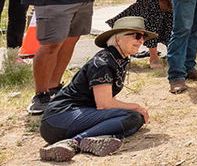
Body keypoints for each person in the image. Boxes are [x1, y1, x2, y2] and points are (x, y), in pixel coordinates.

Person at [37, 16, 151, 162]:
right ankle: (74, 142)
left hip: (75, 117)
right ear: (118, 39)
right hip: (59, 119)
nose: (141, 41)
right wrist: (136, 106)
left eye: (143, 37)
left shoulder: (117, 59)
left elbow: (106, 101)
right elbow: (104, 104)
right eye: (137, 35)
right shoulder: (103, 63)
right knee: (132, 116)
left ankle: (94, 140)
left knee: (135, 120)